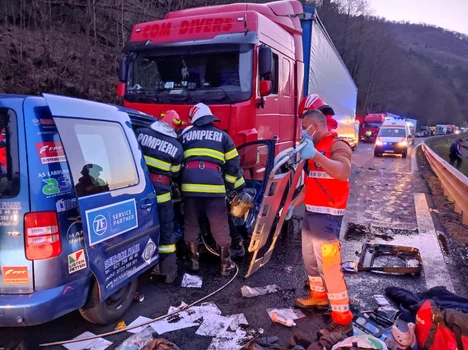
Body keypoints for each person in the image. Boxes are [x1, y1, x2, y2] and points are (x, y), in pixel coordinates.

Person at [285, 109, 353, 336]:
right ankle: (318, 297)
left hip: (328, 216)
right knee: (310, 260)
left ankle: (343, 319)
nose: (302, 132)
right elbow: (311, 184)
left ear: (315, 126)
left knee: (329, 267)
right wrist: (292, 205)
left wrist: (315, 155)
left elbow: (343, 172)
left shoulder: (337, 145)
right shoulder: (313, 150)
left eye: (305, 128)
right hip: (312, 214)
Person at [180, 103, 240, 276]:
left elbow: (177, 158)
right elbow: (234, 162)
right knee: (219, 225)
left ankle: (192, 263)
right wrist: (228, 185)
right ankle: (225, 266)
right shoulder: (223, 136)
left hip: (189, 187)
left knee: (191, 223)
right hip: (214, 188)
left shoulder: (185, 135)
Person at [135, 110, 184, 284]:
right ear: (175, 127)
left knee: (139, 229)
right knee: (166, 230)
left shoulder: (140, 133)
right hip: (161, 193)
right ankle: (168, 272)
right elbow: (176, 173)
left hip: (138, 189)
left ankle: (140, 266)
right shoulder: (176, 146)